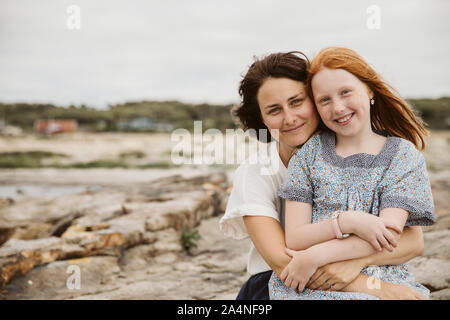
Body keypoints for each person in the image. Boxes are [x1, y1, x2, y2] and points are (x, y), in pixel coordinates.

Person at [219, 51, 427, 300]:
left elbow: (413, 241)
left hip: (352, 268)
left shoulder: (385, 155)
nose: (290, 118)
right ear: (261, 119)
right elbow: (281, 261)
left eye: (297, 102)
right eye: (274, 110)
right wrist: (378, 288)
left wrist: (354, 264)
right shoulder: (255, 172)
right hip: (282, 282)